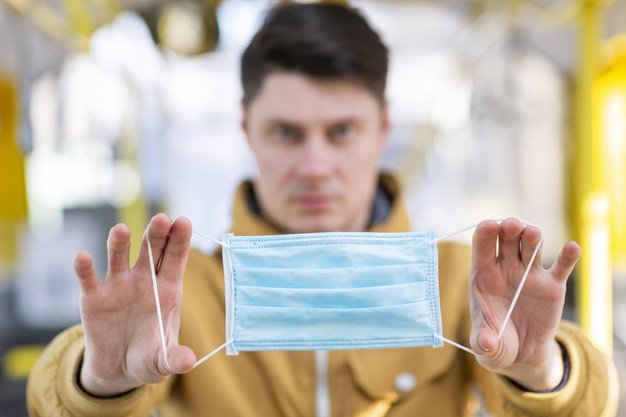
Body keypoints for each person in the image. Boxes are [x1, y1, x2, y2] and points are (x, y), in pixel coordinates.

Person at [27, 2, 618, 416]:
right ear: (247, 130)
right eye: (287, 132)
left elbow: (589, 404)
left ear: (382, 128)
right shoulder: (185, 291)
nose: (314, 166)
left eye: (341, 131)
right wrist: (100, 380)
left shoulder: (462, 280)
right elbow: (60, 403)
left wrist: (543, 373)